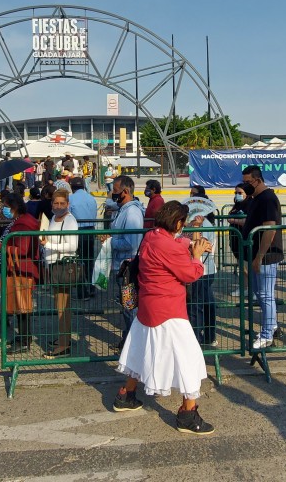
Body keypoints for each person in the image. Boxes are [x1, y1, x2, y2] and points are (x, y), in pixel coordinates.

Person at [112, 201, 215, 435]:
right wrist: (196, 255)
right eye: (183, 224)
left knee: (139, 351)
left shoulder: (151, 236)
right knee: (189, 358)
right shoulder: (170, 247)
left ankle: (126, 395)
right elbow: (190, 274)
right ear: (178, 223)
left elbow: (175, 243)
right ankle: (188, 413)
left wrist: (189, 243)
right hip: (169, 310)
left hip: (148, 307)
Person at [242, 165, 283, 349]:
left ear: (257, 180)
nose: (245, 186)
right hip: (255, 255)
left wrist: (259, 257)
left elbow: (269, 229)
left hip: (266, 256)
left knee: (266, 295)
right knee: (261, 294)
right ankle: (271, 325)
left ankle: (267, 335)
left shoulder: (268, 198)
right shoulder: (255, 198)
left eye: (248, 182)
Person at [108, 175, 147, 349]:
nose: (112, 194)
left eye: (115, 191)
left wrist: (110, 242)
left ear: (125, 191)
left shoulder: (132, 212)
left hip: (128, 269)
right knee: (127, 307)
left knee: (130, 307)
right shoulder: (122, 209)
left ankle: (134, 346)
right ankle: (128, 339)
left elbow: (132, 244)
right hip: (121, 267)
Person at [40, 189, 79, 357]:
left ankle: (64, 344)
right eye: (56, 203)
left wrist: (49, 245)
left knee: (63, 307)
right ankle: (63, 338)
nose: (59, 206)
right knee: (59, 305)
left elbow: (72, 246)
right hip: (53, 266)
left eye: (62, 203)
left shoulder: (70, 220)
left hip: (63, 266)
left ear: (68, 204)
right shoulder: (53, 219)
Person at [1, 194, 41, 353]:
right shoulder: (26, 220)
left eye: (6, 206)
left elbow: (23, 249)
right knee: (21, 306)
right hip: (22, 268)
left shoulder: (23, 224)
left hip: (22, 269)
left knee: (22, 306)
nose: (4, 209)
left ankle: (24, 341)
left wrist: (3, 246)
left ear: (14, 207)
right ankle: (25, 337)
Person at [184, 213, 218, 346]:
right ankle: (209, 337)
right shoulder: (197, 223)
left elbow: (198, 248)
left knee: (196, 305)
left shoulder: (204, 225)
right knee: (207, 303)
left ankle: (197, 338)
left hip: (201, 271)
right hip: (204, 270)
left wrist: (196, 227)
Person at [69, 177, 98, 300]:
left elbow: (68, 216)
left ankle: (82, 292)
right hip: (90, 230)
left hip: (78, 231)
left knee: (79, 262)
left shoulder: (70, 198)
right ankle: (92, 288)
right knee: (89, 260)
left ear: (72, 187)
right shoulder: (91, 198)